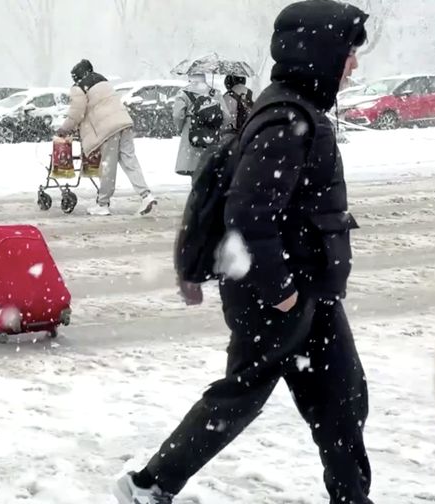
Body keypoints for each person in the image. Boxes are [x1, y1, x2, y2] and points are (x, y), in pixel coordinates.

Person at [114, 2, 372, 503]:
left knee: (343, 400)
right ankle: (149, 485)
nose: (353, 64)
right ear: (320, 53)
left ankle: (353, 498)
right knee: (240, 396)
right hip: (276, 295)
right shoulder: (286, 119)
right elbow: (248, 218)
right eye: (348, 53)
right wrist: (281, 294)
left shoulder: (300, 111)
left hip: (309, 290)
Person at [56, 59, 156, 217]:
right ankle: (146, 195)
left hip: (108, 129)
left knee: (108, 167)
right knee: (130, 161)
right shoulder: (104, 82)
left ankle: (103, 204)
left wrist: (64, 129)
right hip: (124, 122)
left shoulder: (79, 87)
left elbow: (77, 112)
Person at [172, 73, 229, 181]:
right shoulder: (215, 93)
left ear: (190, 77)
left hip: (191, 136)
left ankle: (196, 193)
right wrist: (216, 126)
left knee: (194, 171)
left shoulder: (183, 93)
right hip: (211, 137)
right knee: (209, 172)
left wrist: (180, 128)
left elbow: (177, 115)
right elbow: (226, 116)